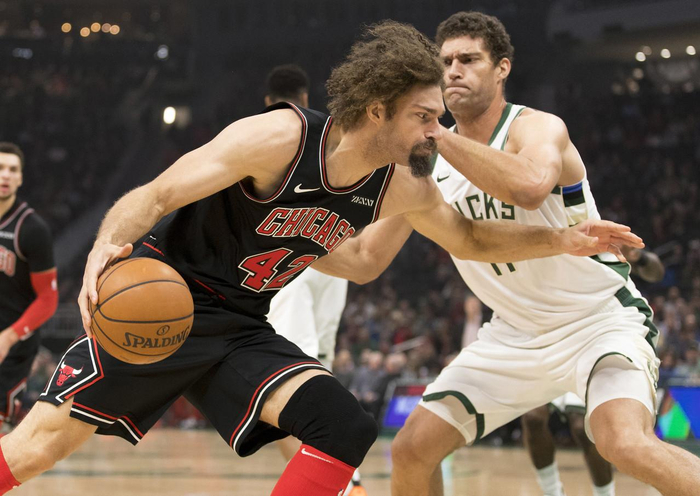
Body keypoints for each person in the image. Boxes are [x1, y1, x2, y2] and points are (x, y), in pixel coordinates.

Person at [0, 21, 640, 496]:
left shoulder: (403, 184)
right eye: (424, 117)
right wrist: (103, 250)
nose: (436, 133)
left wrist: (560, 240)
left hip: (240, 326)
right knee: (37, 449)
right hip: (163, 298)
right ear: (377, 110)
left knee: (344, 426)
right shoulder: (280, 137)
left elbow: (459, 242)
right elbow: (156, 194)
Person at [379, 12, 699, 496]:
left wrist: (436, 132)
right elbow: (365, 261)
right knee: (410, 451)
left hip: (596, 320)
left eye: (469, 59)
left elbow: (529, 187)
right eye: (445, 62)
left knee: (624, 443)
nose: (453, 71)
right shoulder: (424, 166)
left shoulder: (537, 127)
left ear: (502, 68)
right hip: (513, 334)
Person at [262, 63, 365, 496]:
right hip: (334, 254)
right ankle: (345, 483)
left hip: (291, 260)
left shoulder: (262, 135)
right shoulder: (332, 135)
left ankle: (343, 486)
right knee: (319, 373)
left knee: (291, 388)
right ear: (306, 97)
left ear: (268, 102)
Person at [520, 246, 665, 496]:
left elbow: (656, 273)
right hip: (548, 334)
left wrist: (639, 257)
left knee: (581, 427)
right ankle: (552, 492)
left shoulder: (598, 235)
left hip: (594, 331)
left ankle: (605, 494)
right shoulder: (541, 239)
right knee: (532, 417)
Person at [0, 142, 58, 434]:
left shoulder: (32, 229)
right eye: (0, 168)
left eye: (13, 169)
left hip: (13, 343)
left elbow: (48, 298)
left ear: (20, 178)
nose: (5, 175)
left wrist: (9, 337)